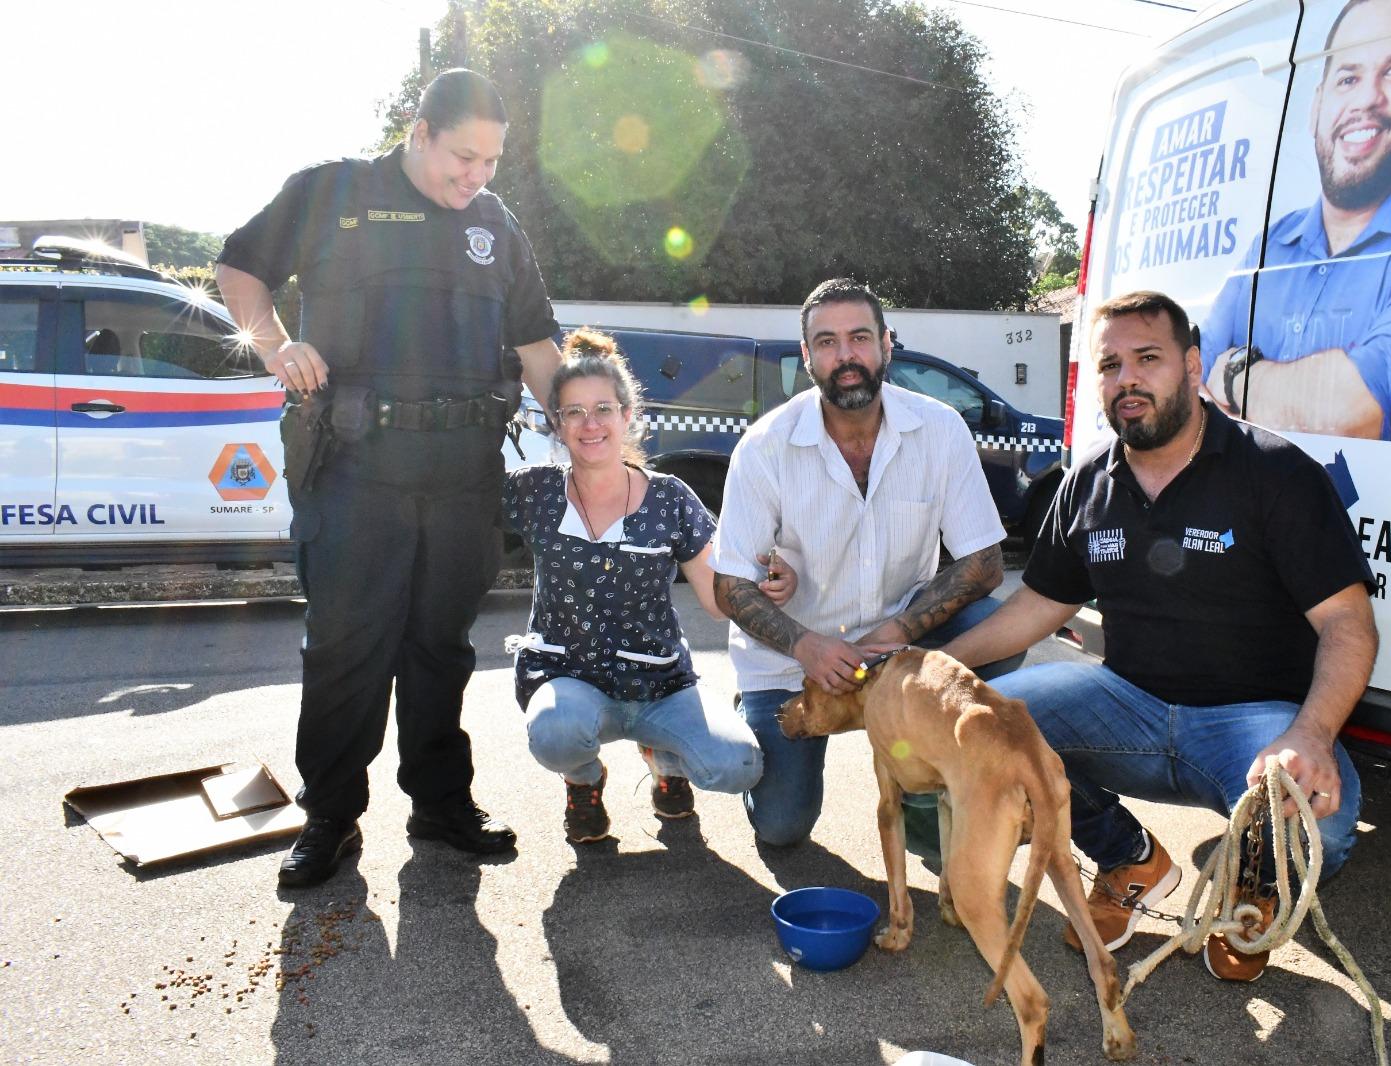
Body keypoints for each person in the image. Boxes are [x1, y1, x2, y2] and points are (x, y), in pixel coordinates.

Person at [943, 290, 1378, 983]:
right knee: (989, 726)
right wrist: (934, 666)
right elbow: (1037, 607)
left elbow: (1347, 623)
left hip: (1251, 725)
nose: (1127, 381)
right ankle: (1129, 859)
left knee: (1322, 822)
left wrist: (1312, 734)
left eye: (1148, 359)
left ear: (1193, 365)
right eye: (1110, 366)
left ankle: (1251, 895)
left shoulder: (1276, 471)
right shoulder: (1087, 479)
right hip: (1129, 702)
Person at [216, 69, 564, 887]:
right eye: (463, 157)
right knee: (347, 646)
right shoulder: (331, 192)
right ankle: (331, 817)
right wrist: (274, 346)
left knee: (441, 646)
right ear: (418, 130)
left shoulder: (494, 224)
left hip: (462, 474)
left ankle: (441, 803)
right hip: (354, 468)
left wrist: (590, 437)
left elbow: (540, 350)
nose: (475, 176)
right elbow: (239, 267)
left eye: (491, 162)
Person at [710, 277, 1023, 849]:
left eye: (859, 337)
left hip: (900, 647)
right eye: (826, 342)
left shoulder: (940, 428)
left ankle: (932, 795)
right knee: (782, 827)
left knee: (998, 635)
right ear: (807, 357)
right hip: (792, 659)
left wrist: (896, 634)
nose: (845, 355)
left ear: (886, 344)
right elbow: (730, 586)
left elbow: (983, 563)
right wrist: (807, 645)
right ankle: (761, 726)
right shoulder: (764, 447)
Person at [1200, 0, 1391, 477]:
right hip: (1243, 545)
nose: (1367, 98)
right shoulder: (1270, 248)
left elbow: (1349, 415)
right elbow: (1182, 390)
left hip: (1381, 552)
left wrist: (1232, 373)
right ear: (1317, 104)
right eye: (1348, 77)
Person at [502, 329, 794, 844]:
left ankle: (664, 760)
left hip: (659, 684)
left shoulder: (670, 497)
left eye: (603, 409)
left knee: (738, 765)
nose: (590, 424)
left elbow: (717, 598)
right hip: (569, 679)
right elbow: (457, 494)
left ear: (628, 415)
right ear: (557, 423)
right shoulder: (533, 491)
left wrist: (765, 580)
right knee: (553, 732)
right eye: (573, 412)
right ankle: (583, 781)